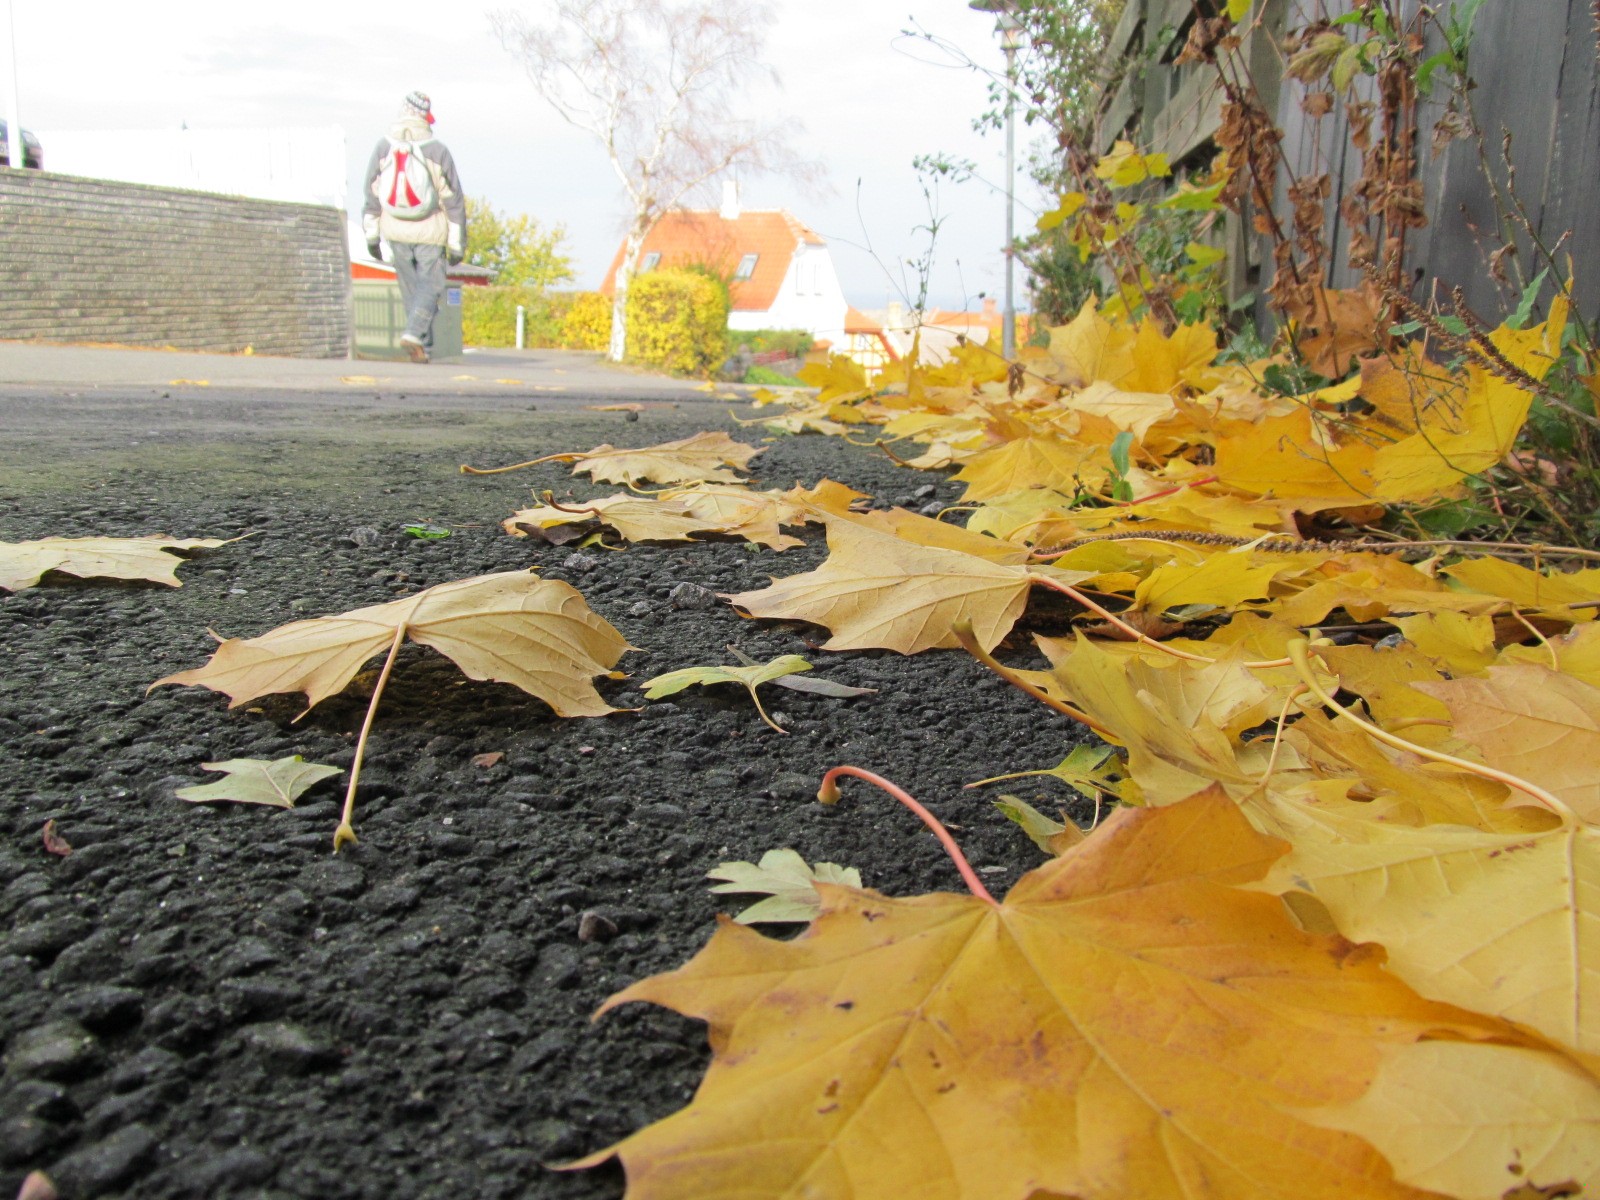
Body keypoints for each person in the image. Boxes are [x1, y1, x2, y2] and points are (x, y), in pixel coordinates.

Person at [361, 91, 466, 363]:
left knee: (412, 292)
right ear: (424, 118)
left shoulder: (383, 147)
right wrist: (456, 243)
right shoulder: (437, 150)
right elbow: (453, 199)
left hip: (395, 230)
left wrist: (372, 236)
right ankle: (414, 335)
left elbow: (371, 193)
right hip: (430, 231)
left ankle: (422, 348)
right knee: (430, 287)